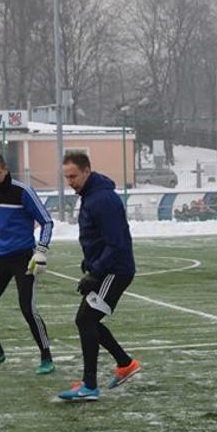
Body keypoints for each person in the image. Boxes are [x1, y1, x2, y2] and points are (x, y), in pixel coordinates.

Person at [57, 151, 141, 402]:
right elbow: (99, 236)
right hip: (107, 269)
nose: (70, 182)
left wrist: (95, 272)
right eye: (66, 177)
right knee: (88, 320)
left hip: (115, 271)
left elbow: (116, 242)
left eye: (73, 176)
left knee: (86, 320)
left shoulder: (102, 199)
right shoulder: (91, 196)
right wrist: (90, 261)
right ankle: (125, 364)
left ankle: (90, 385)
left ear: (87, 171)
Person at [0, 153, 54, 374]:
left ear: (6, 170)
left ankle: (46, 356)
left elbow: (47, 221)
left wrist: (41, 250)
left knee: (28, 308)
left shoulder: (23, 191)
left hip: (23, 258)